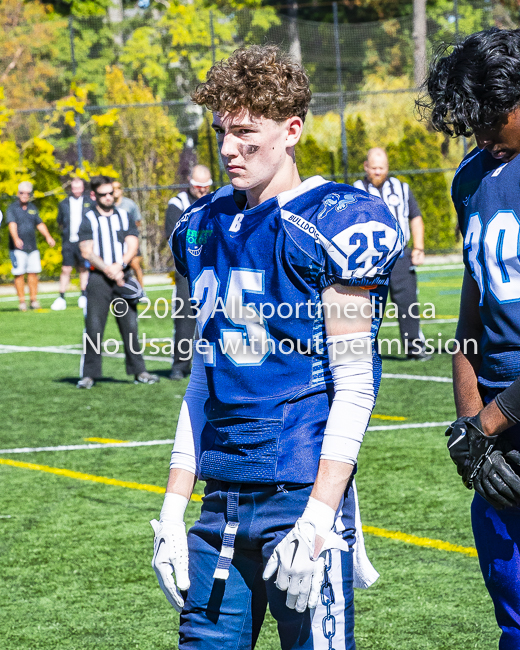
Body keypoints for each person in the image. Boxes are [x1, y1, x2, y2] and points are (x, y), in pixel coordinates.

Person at [151, 45, 403, 650]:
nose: (229, 149)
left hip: (300, 489)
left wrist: (319, 517)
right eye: (221, 132)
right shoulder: (204, 227)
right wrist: (172, 507)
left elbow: (356, 383)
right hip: (220, 499)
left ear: (292, 130)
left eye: (246, 133)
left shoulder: (336, 219)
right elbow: (201, 379)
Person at [422, 27, 520, 649]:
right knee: (513, 620)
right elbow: (471, 304)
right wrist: (470, 430)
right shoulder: (472, 177)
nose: (481, 133)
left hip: (503, 418)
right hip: (497, 429)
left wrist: (490, 422)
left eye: (493, 116)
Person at [77, 175, 159, 389]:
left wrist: (120, 265)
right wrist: (109, 270)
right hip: (98, 279)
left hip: (123, 277)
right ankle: (89, 375)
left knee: (130, 326)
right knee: (94, 328)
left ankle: (139, 371)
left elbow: (132, 243)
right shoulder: (88, 218)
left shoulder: (124, 215)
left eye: (110, 193)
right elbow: (87, 250)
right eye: (103, 194)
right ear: (94, 195)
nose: (108, 198)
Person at [353, 149, 429, 360]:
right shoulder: (355, 191)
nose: (378, 172)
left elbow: (415, 217)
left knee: (408, 303)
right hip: (370, 260)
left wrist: (419, 247)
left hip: (400, 256)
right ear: (366, 166)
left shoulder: (401, 188)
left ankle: (415, 348)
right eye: (374, 167)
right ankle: (365, 351)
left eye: (382, 168)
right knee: (368, 307)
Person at [164, 164, 212, 381]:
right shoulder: (177, 204)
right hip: (187, 270)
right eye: (197, 186)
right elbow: (177, 238)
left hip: (213, 267)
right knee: (184, 316)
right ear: (189, 183)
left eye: (205, 186)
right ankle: (180, 364)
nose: (202, 190)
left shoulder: (218, 200)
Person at [7, 181, 55, 312]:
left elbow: (39, 224)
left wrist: (48, 237)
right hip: (17, 248)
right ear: (18, 193)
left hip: (32, 247)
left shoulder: (32, 208)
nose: (25, 195)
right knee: (19, 274)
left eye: (28, 193)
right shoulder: (12, 208)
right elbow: (12, 224)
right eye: (22, 193)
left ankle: (33, 300)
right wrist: (16, 238)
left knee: (33, 274)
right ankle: (22, 301)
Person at [51, 177, 94, 311]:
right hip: (68, 241)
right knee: (66, 269)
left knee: (83, 268)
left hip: (84, 241)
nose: (76, 190)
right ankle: (61, 297)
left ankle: (83, 295)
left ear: (83, 188)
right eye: (74, 188)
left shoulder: (89, 202)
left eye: (79, 187)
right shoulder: (63, 203)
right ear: (71, 188)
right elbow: (60, 221)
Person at [112, 180, 145, 287]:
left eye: (117, 188)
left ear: (121, 190)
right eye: (113, 189)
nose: (115, 191)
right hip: (115, 241)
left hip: (129, 240)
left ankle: (141, 290)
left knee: (135, 264)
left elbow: (137, 221)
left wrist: (130, 236)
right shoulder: (108, 205)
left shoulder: (129, 204)